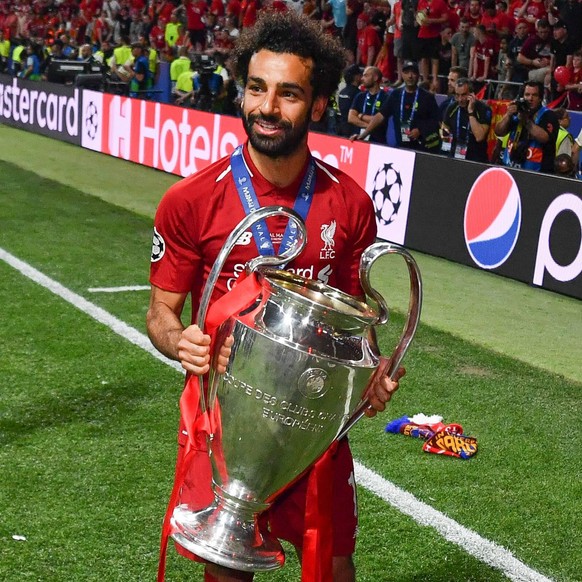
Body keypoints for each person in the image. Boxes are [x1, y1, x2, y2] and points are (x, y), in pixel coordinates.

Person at [147, 11, 403, 582]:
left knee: (335, 565)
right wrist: (179, 341)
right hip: (225, 420)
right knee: (228, 567)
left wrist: (373, 373)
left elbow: (354, 326)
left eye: (288, 94)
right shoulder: (189, 201)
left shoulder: (351, 204)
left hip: (311, 420)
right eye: (256, 89)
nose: (267, 107)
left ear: (316, 106)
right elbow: (160, 314)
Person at [352, 60, 440, 152]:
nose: (410, 76)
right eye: (406, 73)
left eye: (413, 73)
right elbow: (380, 115)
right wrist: (363, 135)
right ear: (402, 75)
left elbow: (436, 120)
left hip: (422, 149)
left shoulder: (427, 97)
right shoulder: (396, 94)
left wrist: (420, 130)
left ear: (418, 75)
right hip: (401, 148)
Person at [494, 80, 559, 173]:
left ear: (540, 98)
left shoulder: (548, 116)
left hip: (537, 172)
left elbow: (544, 138)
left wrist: (526, 120)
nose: (530, 98)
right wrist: (508, 115)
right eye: (527, 95)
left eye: (534, 95)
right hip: (510, 167)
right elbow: (499, 131)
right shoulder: (516, 111)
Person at [440, 77, 492, 162]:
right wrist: (444, 135)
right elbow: (444, 130)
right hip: (455, 158)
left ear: (471, 94)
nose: (460, 99)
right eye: (457, 95)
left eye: (463, 95)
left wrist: (471, 112)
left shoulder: (483, 109)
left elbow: (479, 137)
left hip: (476, 160)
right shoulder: (452, 107)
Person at [347, 65, 389, 143]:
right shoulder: (360, 96)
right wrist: (369, 126)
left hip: (378, 142)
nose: (362, 79)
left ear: (375, 78)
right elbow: (351, 118)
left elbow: (380, 120)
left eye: (366, 75)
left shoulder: (386, 97)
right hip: (359, 139)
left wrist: (361, 116)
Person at [337, 63, 363, 136]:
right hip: (353, 131)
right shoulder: (359, 94)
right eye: (360, 75)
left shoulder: (342, 92)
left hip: (342, 128)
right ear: (356, 77)